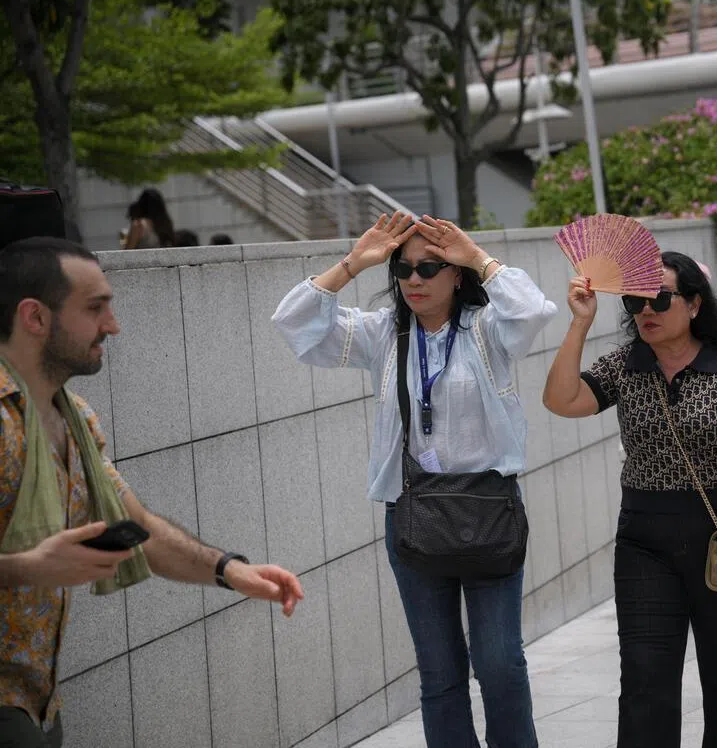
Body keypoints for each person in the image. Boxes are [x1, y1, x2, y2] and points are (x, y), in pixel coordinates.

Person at [0, 238, 304, 748]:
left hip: (38, 702)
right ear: (35, 318)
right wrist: (28, 567)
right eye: (95, 308)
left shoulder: (73, 418)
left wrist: (230, 569)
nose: (113, 325)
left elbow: (137, 525)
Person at [272, 212, 556, 748]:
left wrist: (477, 256)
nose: (416, 279)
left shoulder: (486, 329)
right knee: (440, 672)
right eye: (404, 269)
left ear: (455, 275)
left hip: (488, 511)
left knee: (498, 663)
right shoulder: (384, 334)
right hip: (413, 516)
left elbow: (533, 310)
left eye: (431, 266)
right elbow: (294, 323)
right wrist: (356, 263)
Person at [543, 250, 717, 748]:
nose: (645, 310)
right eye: (634, 301)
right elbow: (562, 401)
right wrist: (579, 324)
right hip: (645, 537)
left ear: (693, 305)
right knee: (646, 675)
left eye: (659, 299)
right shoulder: (626, 366)